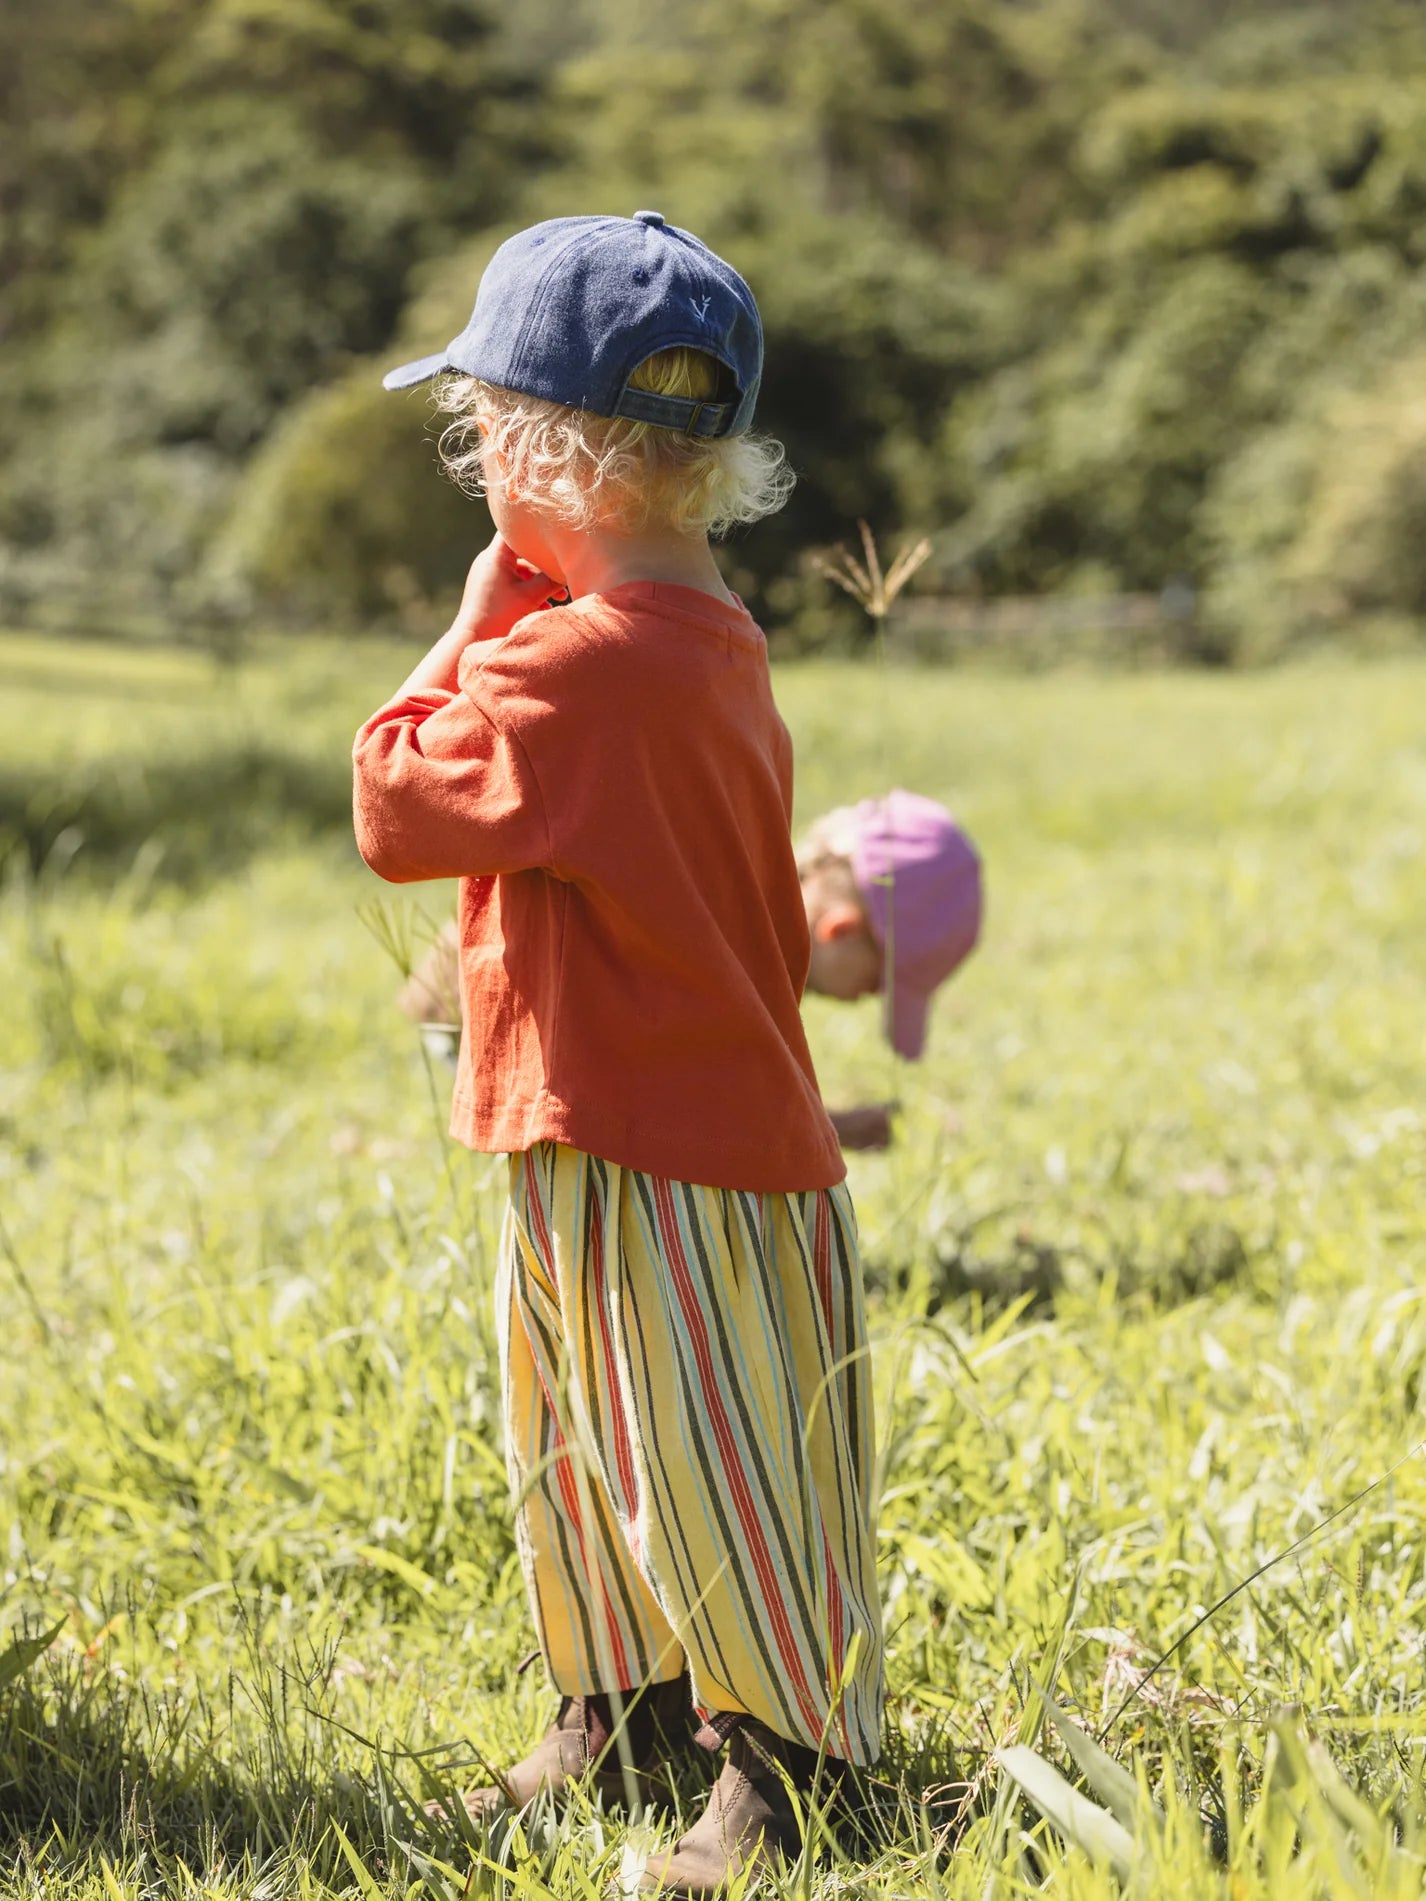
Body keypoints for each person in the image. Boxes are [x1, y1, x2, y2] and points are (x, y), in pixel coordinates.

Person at [352, 211, 884, 1896]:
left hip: (658, 1139)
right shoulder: (710, 638)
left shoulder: (564, 669)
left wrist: (465, 622)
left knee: (711, 1461)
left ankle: (792, 1775)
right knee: (606, 1438)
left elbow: (392, 799)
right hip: (640, 1121)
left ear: (528, 450)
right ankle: (627, 1712)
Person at [401, 790, 983, 1151]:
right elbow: (689, 1104)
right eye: (879, 981)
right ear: (841, 929)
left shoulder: (758, 895)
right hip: (497, 1023)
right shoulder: (734, 932)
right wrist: (823, 1132)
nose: (868, 998)